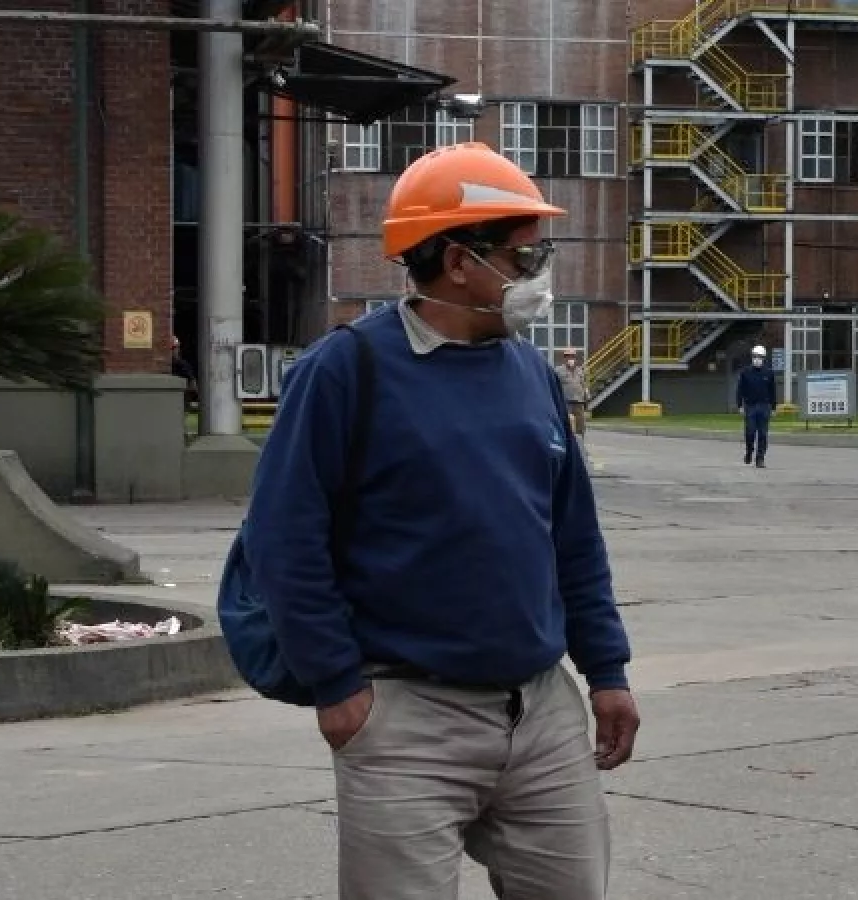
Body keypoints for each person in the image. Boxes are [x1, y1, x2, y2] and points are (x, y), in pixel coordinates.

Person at [240, 142, 638, 900]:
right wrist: (337, 688)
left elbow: (573, 539)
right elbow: (284, 542)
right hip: (403, 718)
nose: (539, 276)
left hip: (541, 714)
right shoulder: (345, 370)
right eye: (525, 257)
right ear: (459, 261)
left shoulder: (533, 375)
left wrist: (607, 672)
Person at [736, 343, 776, 468]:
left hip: (764, 406)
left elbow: (772, 391)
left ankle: (760, 458)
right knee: (750, 432)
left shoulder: (769, 373)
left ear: (763, 358)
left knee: (763, 434)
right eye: (755, 356)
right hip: (750, 406)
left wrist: (773, 407)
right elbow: (740, 390)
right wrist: (740, 405)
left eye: (759, 357)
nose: (757, 359)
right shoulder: (745, 372)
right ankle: (749, 451)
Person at [557, 347, 589, 438]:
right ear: (564, 358)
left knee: (580, 425)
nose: (570, 358)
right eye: (567, 356)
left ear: (575, 358)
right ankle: (567, 442)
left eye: (572, 356)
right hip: (566, 402)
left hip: (579, 402)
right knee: (566, 424)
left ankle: (580, 442)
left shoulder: (580, 370)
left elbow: (583, 384)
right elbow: (555, 385)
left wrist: (586, 397)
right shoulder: (558, 370)